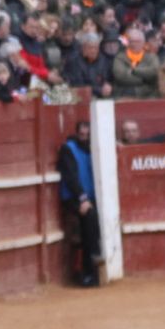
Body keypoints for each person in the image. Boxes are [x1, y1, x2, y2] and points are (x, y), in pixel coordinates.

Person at [56, 119, 101, 288]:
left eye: (87, 132)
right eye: (82, 132)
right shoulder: (69, 149)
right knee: (90, 218)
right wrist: (82, 199)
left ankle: (92, 267)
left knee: (92, 219)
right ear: (77, 132)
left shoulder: (93, 148)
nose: (85, 134)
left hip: (90, 198)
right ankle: (90, 270)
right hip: (74, 198)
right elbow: (70, 177)